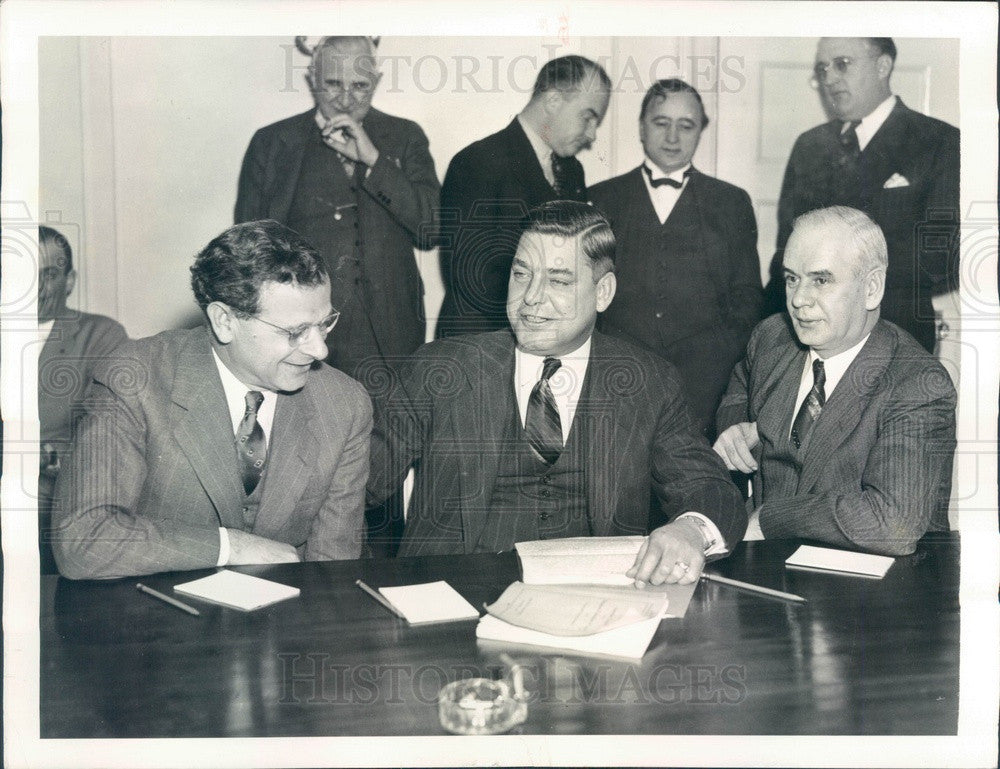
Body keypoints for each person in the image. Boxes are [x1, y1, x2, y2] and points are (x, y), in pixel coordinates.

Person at [367, 201, 747, 586]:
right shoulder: (441, 370)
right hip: (451, 598)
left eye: (559, 281)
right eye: (521, 274)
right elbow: (357, 481)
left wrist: (690, 531)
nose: (531, 297)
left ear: (603, 293)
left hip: (594, 601)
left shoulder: (648, 382)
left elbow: (709, 488)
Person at [52, 221, 373, 579]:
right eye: (296, 332)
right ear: (224, 321)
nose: (319, 349)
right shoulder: (133, 378)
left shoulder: (345, 404)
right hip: (158, 621)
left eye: (324, 323)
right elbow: (82, 541)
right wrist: (229, 546)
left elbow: (333, 573)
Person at [715, 207, 956, 556]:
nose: (798, 299)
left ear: (871, 288)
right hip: (765, 569)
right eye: (792, 278)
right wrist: (737, 430)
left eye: (821, 280)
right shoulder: (772, 337)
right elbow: (736, 395)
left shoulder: (918, 384)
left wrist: (771, 518)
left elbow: (892, 524)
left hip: (872, 593)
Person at [235, 36, 439, 378]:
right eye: (333, 84)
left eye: (359, 86)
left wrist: (373, 160)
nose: (345, 100)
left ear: (376, 82)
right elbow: (249, 252)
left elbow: (432, 229)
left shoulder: (405, 137)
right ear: (312, 80)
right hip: (303, 331)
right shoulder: (272, 143)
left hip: (394, 333)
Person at [590, 79, 762, 440]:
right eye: (660, 122)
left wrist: (718, 366)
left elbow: (747, 298)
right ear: (641, 127)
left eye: (686, 125)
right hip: (618, 380)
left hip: (705, 387)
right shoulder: (602, 199)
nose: (672, 137)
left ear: (701, 131)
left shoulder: (731, 203)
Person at [770, 37, 959, 353]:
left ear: (882, 65)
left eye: (842, 64)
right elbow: (785, 249)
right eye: (823, 68)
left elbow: (943, 258)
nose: (829, 78)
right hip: (805, 339)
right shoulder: (809, 146)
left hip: (895, 340)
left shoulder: (939, 142)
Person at [435, 55, 611, 338]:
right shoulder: (477, 161)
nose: (591, 134)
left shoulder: (572, 170)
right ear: (553, 100)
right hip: (481, 344)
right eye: (588, 116)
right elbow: (470, 277)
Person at [37, 226, 127, 572]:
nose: (35, 288)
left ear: (69, 281)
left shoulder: (101, 336)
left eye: (48, 275)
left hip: (53, 505)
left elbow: (108, 440)